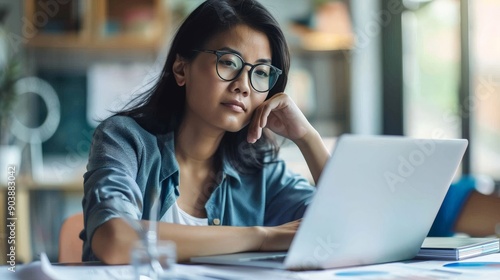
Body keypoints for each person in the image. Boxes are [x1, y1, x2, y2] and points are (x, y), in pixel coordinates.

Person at [81, 0, 330, 264]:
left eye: (261, 72)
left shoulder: (259, 170)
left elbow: (344, 229)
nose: (243, 86)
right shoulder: (126, 140)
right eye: (228, 62)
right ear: (181, 69)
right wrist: (261, 237)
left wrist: (307, 138)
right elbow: (115, 239)